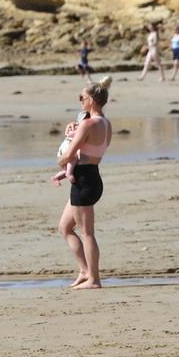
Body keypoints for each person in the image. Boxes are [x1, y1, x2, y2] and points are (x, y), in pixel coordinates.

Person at [54, 76, 114, 290]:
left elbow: (68, 156)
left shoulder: (88, 124)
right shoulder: (105, 124)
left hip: (84, 181)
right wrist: (75, 130)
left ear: (92, 100)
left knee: (87, 233)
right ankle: (84, 271)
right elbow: (89, 149)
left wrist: (63, 153)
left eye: (82, 98)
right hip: (92, 177)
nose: (80, 101)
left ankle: (94, 279)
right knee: (65, 227)